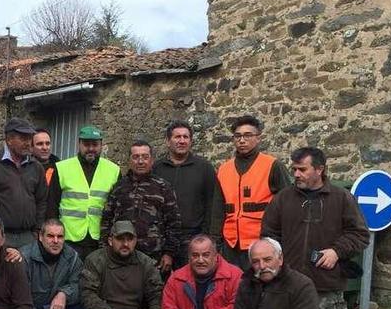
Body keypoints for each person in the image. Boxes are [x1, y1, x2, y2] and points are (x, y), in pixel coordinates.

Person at [262, 147, 369, 309]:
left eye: (302, 169)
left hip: (326, 283)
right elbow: (268, 233)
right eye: (294, 169)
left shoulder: (341, 198)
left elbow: (360, 234)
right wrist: (277, 259)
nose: (296, 174)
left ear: (319, 170)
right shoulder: (283, 199)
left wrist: (336, 251)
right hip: (289, 283)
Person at [210, 115, 290, 270]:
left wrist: (280, 240)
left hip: (261, 242)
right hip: (231, 244)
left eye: (248, 135)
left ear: (258, 138)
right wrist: (216, 242)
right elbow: (218, 210)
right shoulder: (224, 169)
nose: (242, 140)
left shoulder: (272, 165)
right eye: (238, 136)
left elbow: (287, 204)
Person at [81, 220, 163, 309]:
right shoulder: (95, 259)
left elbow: (157, 296)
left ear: (135, 241)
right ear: (111, 240)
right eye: (120, 239)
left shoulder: (146, 263)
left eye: (130, 239)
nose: (125, 244)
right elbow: (87, 294)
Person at [100, 140, 181, 273]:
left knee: (153, 293)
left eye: (145, 157)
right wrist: (104, 249)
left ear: (152, 160)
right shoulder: (119, 188)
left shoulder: (163, 187)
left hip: (154, 258)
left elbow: (174, 223)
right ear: (130, 160)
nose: (140, 161)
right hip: (121, 256)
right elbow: (106, 221)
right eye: (136, 157)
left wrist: (169, 253)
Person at [47, 125, 121, 260]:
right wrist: (54, 236)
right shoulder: (62, 167)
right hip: (69, 238)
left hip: (99, 239)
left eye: (95, 144)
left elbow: (117, 208)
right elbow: (52, 204)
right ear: (79, 144)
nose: (91, 148)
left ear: (101, 145)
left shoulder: (114, 170)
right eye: (86, 144)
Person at [0, 118, 47, 248]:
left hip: (28, 237)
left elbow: (42, 201)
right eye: (23, 138)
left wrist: (37, 230)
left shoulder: (36, 167)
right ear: (9, 140)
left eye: (29, 138)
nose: (28, 143)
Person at [152, 121, 218, 268]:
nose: (182, 141)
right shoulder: (157, 168)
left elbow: (212, 203)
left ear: (191, 141)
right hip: (161, 239)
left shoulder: (204, 168)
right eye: (177, 137)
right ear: (168, 141)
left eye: (186, 137)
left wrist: (206, 236)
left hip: (193, 239)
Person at [19, 219, 84, 309]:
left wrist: (64, 294)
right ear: (40, 237)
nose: (56, 241)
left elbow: (79, 285)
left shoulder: (72, 257)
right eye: (50, 236)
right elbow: (19, 298)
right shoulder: (25, 257)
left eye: (60, 237)